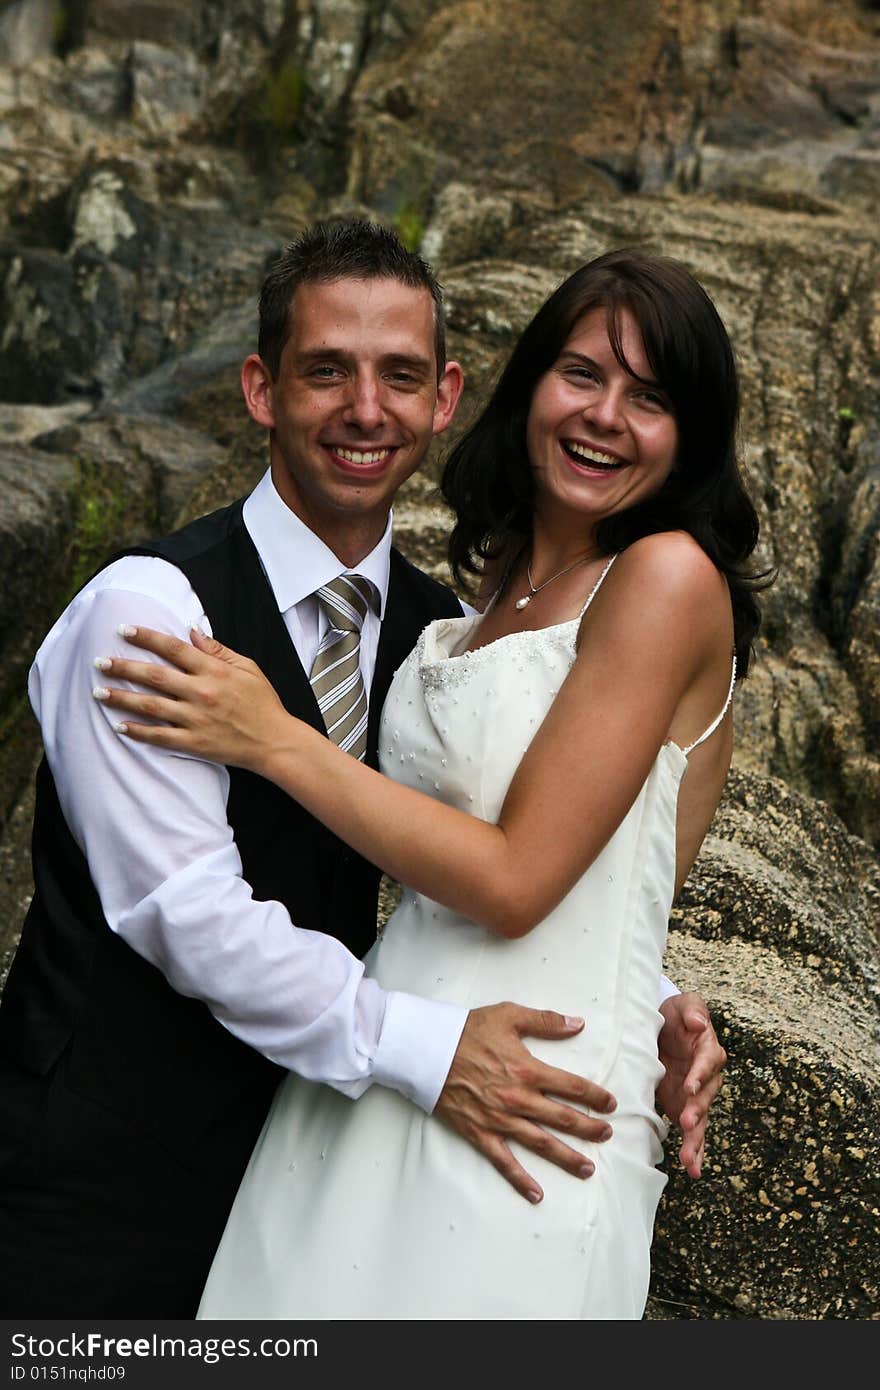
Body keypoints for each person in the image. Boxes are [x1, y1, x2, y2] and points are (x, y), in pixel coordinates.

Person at [0, 222, 723, 1318]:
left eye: (398, 376)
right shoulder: (149, 611)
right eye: (326, 370)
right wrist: (430, 1052)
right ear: (259, 388)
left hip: (329, 1149)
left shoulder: (444, 633)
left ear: (445, 398)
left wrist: (647, 991)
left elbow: (499, 830)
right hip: (106, 1179)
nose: (366, 410)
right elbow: (185, 910)